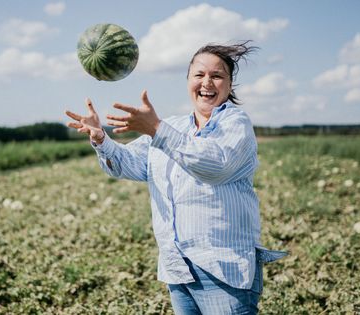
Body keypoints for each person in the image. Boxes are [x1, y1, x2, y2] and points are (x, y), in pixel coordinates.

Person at [65, 41, 287, 314]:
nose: (207, 82)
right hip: (178, 268)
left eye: (217, 76)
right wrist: (101, 139)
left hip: (223, 270)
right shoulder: (174, 127)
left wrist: (157, 129)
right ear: (188, 81)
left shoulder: (235, 124)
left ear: (230, 85)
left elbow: (214, 165)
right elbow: (129, 164)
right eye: (199, 75)